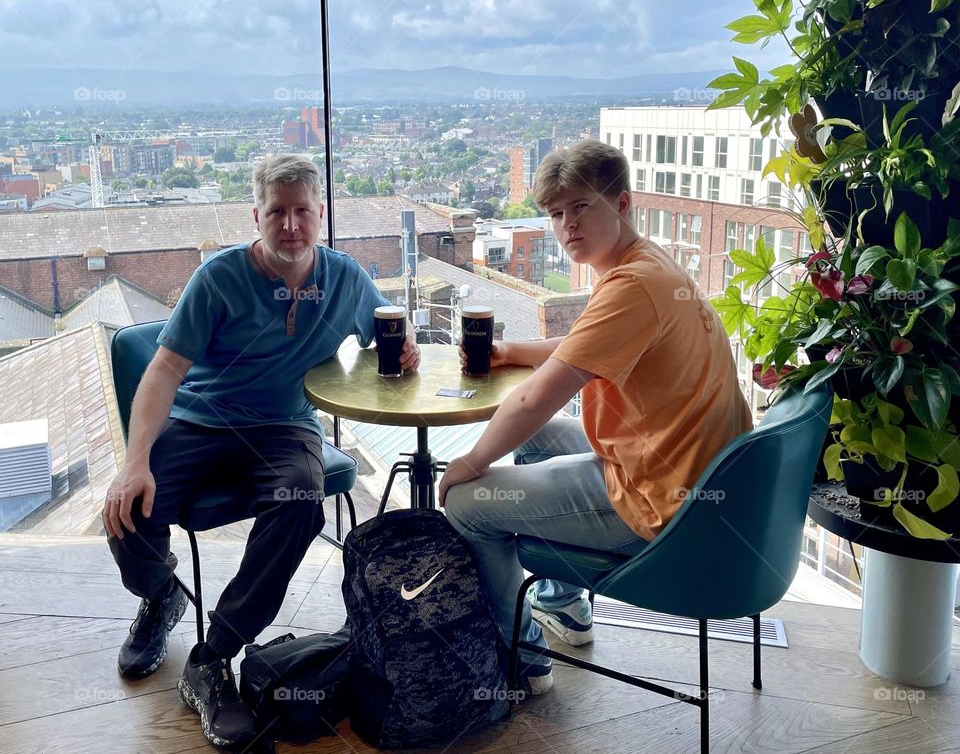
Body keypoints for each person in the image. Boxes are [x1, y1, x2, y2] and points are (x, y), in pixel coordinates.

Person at [103, 154, 420, 748]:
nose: (292, 225)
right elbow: (165, 370)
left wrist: (402, 355)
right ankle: (161, 593)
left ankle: (214, 654)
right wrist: (135, 459)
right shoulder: (220, 277)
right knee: (126, 510)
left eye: (304, 211)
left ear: (320, 214)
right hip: (202, 419)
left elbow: (387, 343)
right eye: (278, 212)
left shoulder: (346, 278)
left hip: (283, 427)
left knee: (302, 500)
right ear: (257, 216)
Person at [439, 140, 752, 696]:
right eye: (556, 213)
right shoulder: (649, 264)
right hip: (690, 469)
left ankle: (525, 656)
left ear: (622, 203)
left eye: (581, 207)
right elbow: (583, 347)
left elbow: (536, 400)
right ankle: (564, 605)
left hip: (660, 499)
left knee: (468, 503)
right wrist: (513, 352)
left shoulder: (631, 287)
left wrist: (471, 460)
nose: (566, 226)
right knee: (538, 445)